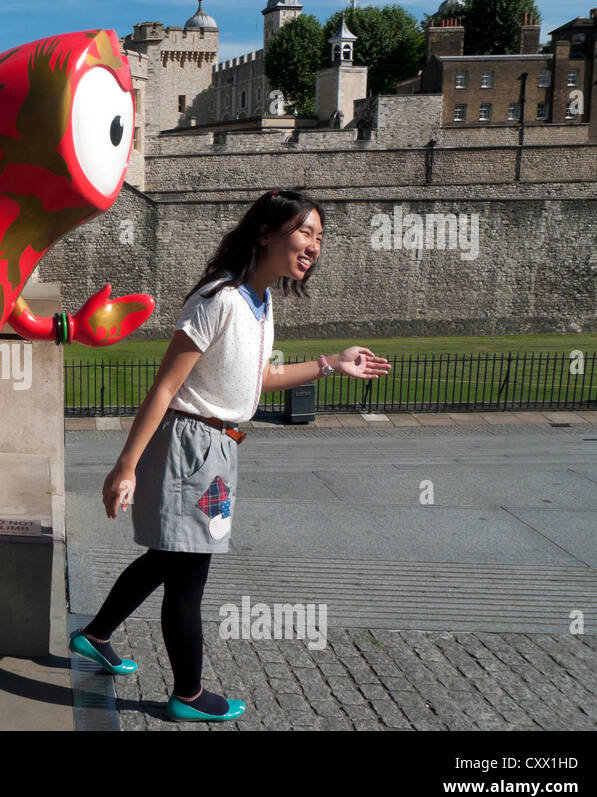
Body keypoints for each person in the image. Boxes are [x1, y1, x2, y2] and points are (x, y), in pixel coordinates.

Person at [69, 190, 391, 722]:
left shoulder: (260, 303)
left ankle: (96, 635)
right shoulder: (218, 297)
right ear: (266, 233)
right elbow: (165, 387)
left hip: (218, 446)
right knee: (187, 574)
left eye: (319, 238)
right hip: (190, 445)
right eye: (305, 232)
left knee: (169, 558)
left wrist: (332, 363)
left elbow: (261, 379)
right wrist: (125, 465)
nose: (314, 246)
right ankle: (188, 695)